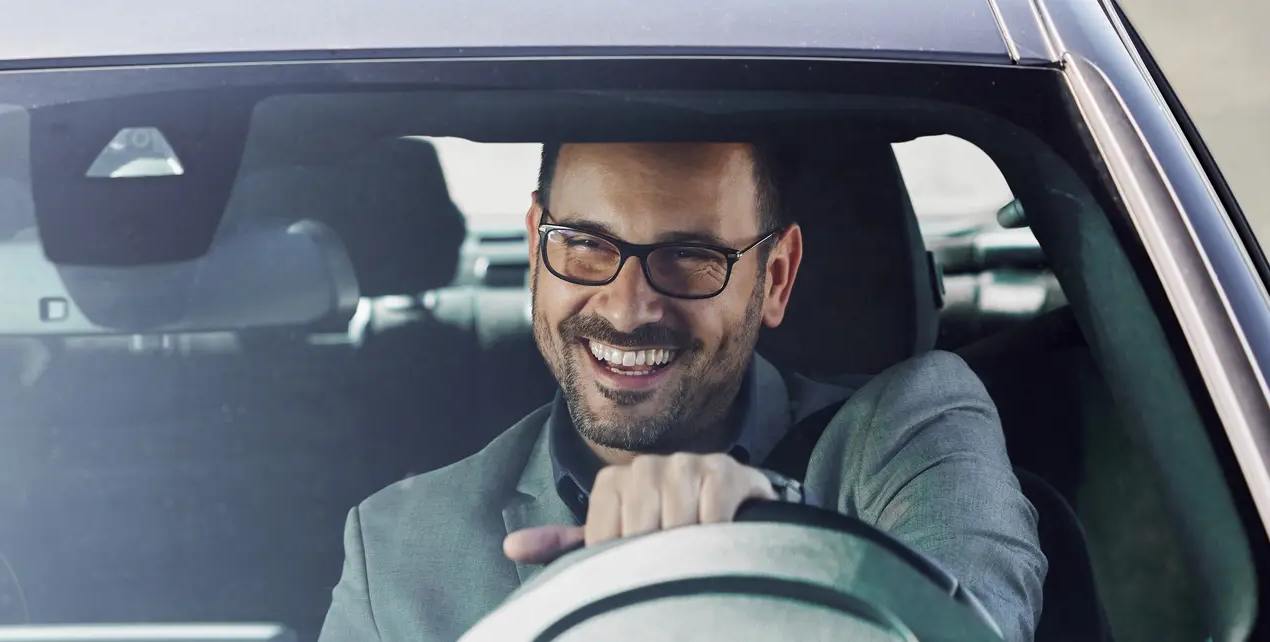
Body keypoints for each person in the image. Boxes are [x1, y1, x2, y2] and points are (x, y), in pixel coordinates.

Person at [316, 143, 1047, 641]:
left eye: (692, 257)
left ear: (777, 278)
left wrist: (779, 539)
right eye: (586, 244)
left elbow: (973, 630)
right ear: (538, 244)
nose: (628, 307)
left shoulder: (907, 429)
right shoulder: (397, 552)